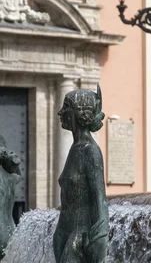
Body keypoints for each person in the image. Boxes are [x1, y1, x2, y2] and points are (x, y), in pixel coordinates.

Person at [53, 87, 108, 263]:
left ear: (78, 113)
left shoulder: (91, 151)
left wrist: (98, 241)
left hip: (79, 237)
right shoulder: (74, 149)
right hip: (64, 232)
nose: (60, 112)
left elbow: (100, 200)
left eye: (66, 108)